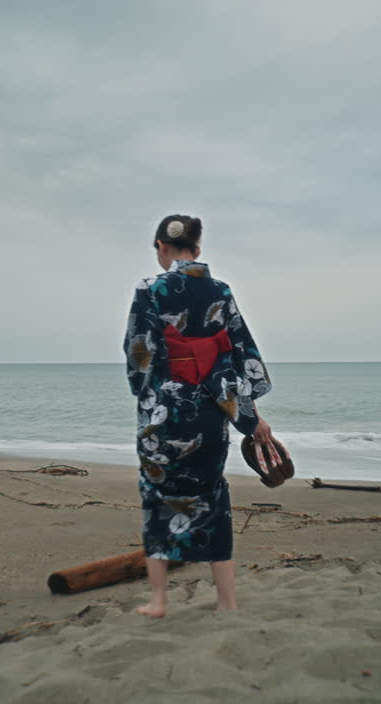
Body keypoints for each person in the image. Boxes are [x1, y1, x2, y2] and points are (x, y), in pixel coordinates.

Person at [124, 214, 285, 618]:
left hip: (165, 416)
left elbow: (139, 353)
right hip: (213, 415)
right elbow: (238, 352)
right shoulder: (221, 291)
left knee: (157, 501)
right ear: (197, 249)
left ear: (161, 247)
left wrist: (149, 396)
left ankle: (159, 601)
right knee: (214, 499)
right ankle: (227, 602)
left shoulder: (150, 289)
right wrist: (249, 415)